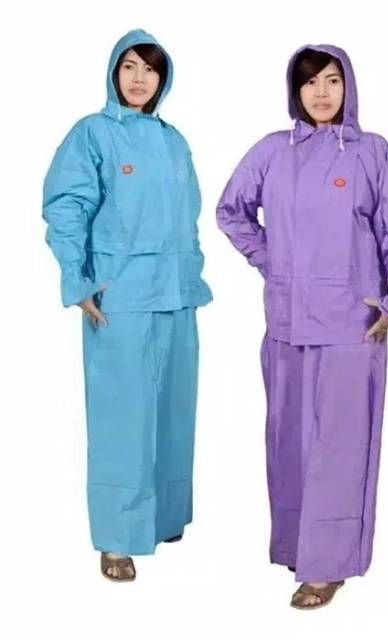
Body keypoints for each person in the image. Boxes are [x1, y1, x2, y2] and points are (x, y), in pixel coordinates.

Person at [217, 44, 388, 609]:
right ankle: (295, 547)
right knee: (289, 445)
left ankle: (327, 566)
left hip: (352, 324)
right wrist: (270, 261)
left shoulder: (371, 152)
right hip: (286, 323)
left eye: (332, 80)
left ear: (348, 86)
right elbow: (230, 210)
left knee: (339, 449)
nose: (322, 92)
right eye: (310, 82)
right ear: (295, 91)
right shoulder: (271, 151)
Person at [43, 29, 212, 582]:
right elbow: (66, 208)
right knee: (122, 418)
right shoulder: (92, 134)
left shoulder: (173, 140)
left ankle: (164, 516)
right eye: (130, 67)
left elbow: (187, 216)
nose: (140, 79)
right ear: (113, 73)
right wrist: (79, 281)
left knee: (173, 412)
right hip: (120, 296)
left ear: (164, 79)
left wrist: (190, 276)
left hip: (176, 294)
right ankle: (117, 537)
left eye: (151, 69)